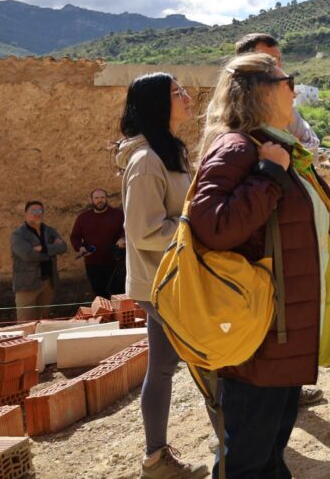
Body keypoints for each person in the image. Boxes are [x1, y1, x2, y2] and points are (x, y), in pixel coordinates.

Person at [188, 52, 330, 478]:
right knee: (248, 459)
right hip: (257, 337)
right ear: (259, 90)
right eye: (286, 79)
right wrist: (268, 175)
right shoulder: (238, 147)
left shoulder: (268, 144)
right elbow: (213, 226)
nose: (294, 88)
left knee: (271, 449)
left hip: (280, 333)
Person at [116, 73, 208, 479]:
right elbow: (144, 231)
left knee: (163, 366)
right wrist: (195, 226)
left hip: (169, 278)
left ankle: (156, 458)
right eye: (177, 93)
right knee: (210, 360)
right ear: (157, 104)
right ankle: (236, 446)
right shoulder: (146, 161)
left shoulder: (167, 152)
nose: (187, 98)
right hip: (162, 283)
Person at [234, 32, 325, 407]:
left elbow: (313, 145)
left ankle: (287, 387)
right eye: (270, 64)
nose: (282, 72)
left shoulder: (289, 112)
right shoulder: (234, 136)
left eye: (280, 61)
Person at [10, 200, 67, 320]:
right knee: (26, 323)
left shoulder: (49, 230)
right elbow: (28, 255)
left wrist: (43, 248)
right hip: (27, 285)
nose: (37, 213)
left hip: (48, 283)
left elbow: (63, 247)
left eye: (40, 211)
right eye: (33, 211)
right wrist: (52, 251)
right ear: (25, 214)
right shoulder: (18, 235)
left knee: (43, 322)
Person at [69, 188, 126, 299]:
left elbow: (127, 229)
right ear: (92, 200)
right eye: (96, 198)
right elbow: (75, 237)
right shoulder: (83, 218)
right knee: (100, 295)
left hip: (116, 263)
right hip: (93, 264)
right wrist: (80, 248)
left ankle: (119, 316)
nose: (100, 200)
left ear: (106, 199)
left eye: (102, 197)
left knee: (119, 295)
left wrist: (123, 238)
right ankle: (106, 316)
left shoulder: (118, 215)